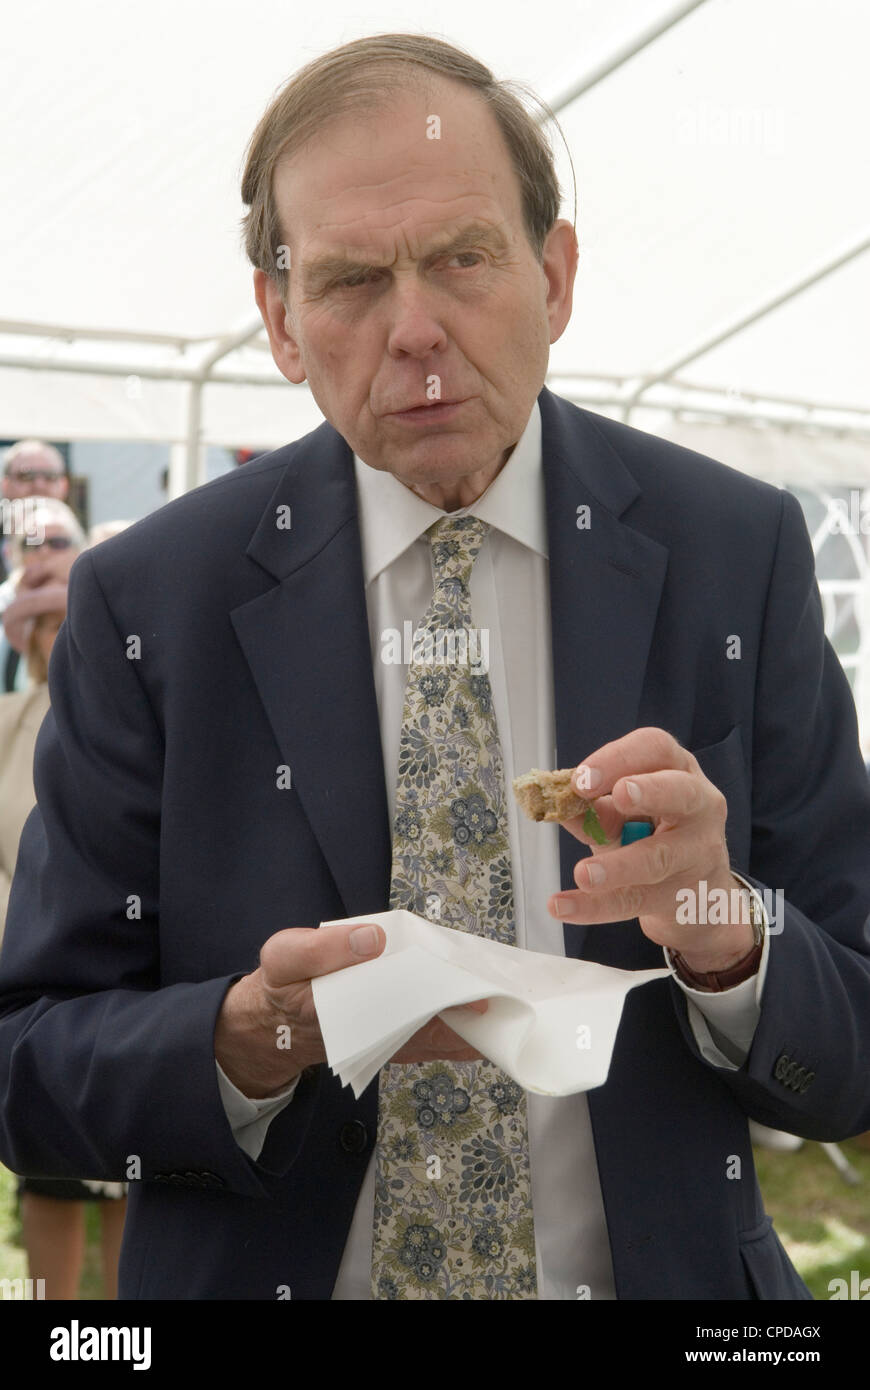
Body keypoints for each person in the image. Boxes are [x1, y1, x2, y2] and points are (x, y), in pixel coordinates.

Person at [0, 32, 869, 1301]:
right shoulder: (151, 601)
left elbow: (852, 1036)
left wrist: (728, 937)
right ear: (280, 321)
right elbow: (30, 1060)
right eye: (351, 279)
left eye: (465, 258)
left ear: (556, 277)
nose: (417, 330)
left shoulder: (734, 552)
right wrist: (245, 1042)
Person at [0, 578, 127, 1299]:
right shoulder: (7, 720)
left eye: (70, 622)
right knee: (48, 1177)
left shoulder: (132, 709)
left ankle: (123, 1328)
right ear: (31, 640)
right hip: (34, 970)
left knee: (132, 1171)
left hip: (129, 972)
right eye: (47, 625)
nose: (63, 636)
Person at [0, 499, 86, 693]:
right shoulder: (4, 607)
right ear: (17, 555)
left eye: (58, 543)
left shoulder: (104, 599)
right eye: (32, 542)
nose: (45, 551)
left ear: (80, 550)